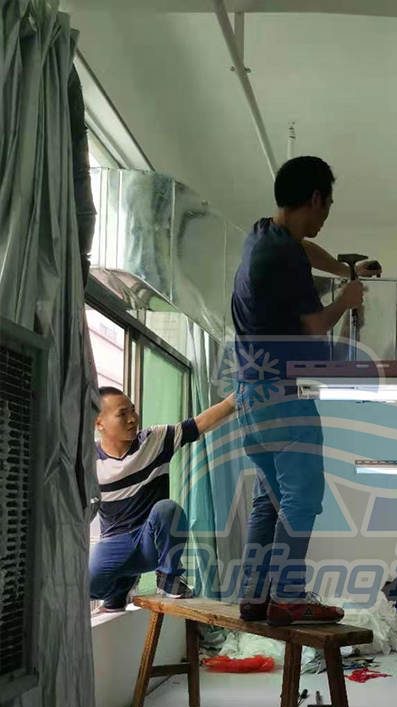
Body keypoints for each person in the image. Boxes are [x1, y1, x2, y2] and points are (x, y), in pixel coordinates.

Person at [232, 155, 381, 626]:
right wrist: (347, 298)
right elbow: (316, 325)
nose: (327, 215)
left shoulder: (264, 234)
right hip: (282, 395)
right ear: (316, 198)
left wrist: (344, 269)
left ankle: (254, 595)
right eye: (328, 205)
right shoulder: (282, 257)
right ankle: (289, 597)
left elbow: (307, 250)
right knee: (302, 497)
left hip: (249, 396)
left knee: (271, 499)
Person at [90, 386, 236, 612]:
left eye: (133, 410)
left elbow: (199, 423)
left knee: (167, 509)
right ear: (99, 423)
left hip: (150, 541)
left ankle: (169, 578)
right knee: (86, 586)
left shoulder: (154, 440)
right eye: (122, 414)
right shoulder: (88, 459)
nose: (132, 419)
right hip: (114, 543)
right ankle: (120, 588)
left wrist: (235, 399)